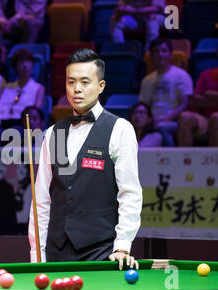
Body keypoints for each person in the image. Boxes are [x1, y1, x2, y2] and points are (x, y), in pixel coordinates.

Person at [28, 48, 142, 269]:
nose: (77, 89)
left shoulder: (120, 129)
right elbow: (41, 201)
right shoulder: (53, 133)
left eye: (85, 82)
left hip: (100, 252)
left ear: (101, 86)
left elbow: (130, 194)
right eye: (71, 82)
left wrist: (122, 246)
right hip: (55, 251)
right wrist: (37, 255)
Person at [139, 38, 194, 146]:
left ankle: (173, 158)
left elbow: (184, 105)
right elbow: (144, 105)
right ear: (151, 56)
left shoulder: (181, 75)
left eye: (164, 51)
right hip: (153, 122)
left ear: (170, 55)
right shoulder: (147, 80)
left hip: (174, 121)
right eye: (156, 51)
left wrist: (163, 119)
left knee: (161, 127)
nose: (160, 54)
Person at [0, 48, 45, 131]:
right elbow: (0, 109)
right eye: (21, 62)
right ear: (15, 66)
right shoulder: (7, 87)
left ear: (32, 65)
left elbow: (35, 114)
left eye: (28, 61)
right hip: (3, 122)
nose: (25, 65)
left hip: (23, 125)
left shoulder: (38, 88)